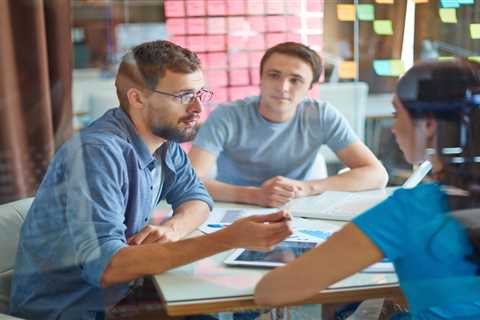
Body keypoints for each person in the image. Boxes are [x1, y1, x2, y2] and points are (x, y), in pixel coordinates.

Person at [9, 40, 292, 320]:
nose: (197, 107)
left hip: (123, 295)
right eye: (183, 96)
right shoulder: (97, 153)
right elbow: (106, 268)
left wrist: (172, 228)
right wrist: (229, 238)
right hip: (74, 309)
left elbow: (197, 197)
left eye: (200, 93)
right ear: (138, 98)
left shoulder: (164, 142)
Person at [254, 59, 480, 319]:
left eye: (397, 114)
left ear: (428, 125)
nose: (394, 128)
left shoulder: (413, 208)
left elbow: (270, 293)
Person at [189, 42, 388, 208]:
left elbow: (377, 175)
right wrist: (255, 195)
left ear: (310, 87)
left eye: (296, 80)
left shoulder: (321, 115)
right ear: (261, 78)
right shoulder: (227, 116)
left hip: (296, 207)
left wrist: (306, 188)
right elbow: (190, 181)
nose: (283, 87)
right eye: (274, 75)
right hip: (233, 206)